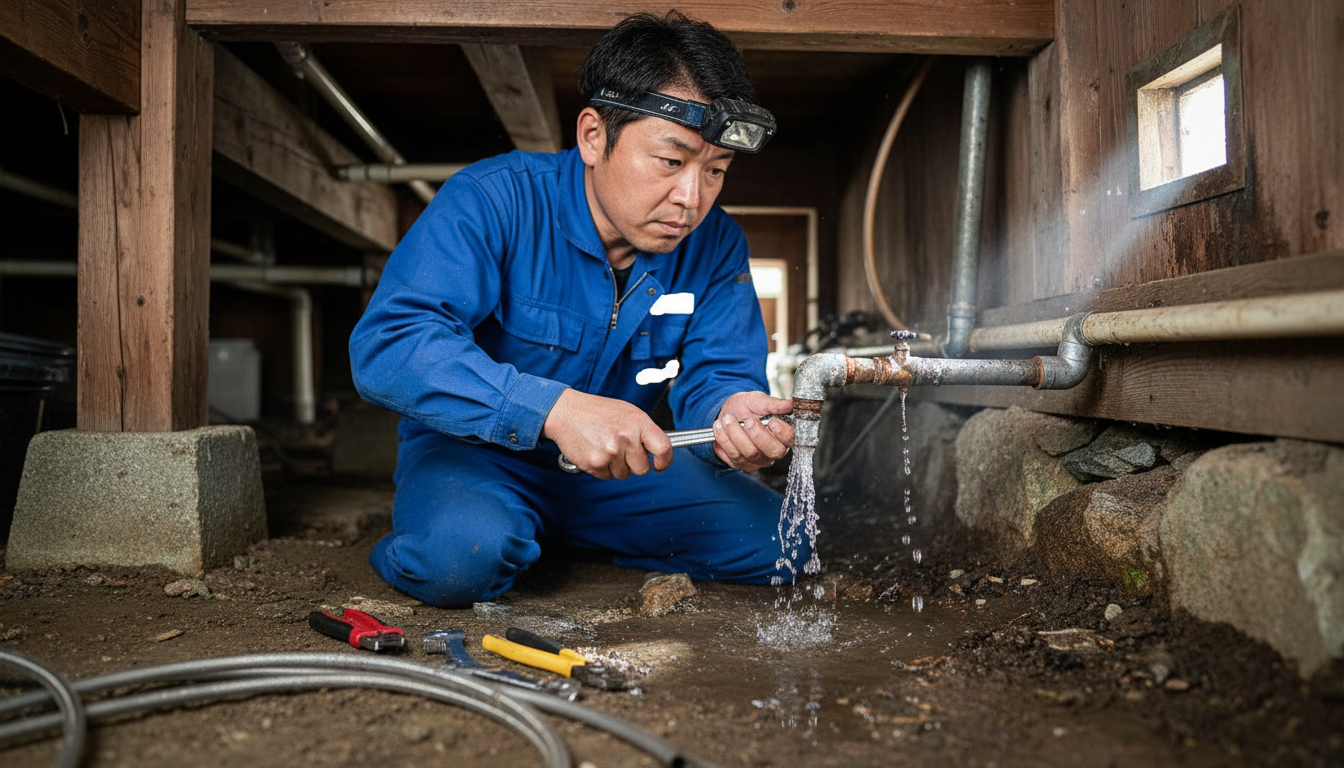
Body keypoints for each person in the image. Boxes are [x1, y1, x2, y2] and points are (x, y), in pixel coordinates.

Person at [349, 10, 808, 608]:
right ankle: (485, 527)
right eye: (671, 162)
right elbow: (391, 344)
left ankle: (543, 535)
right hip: (479, 456)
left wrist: (733, 411)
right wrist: (553, 410)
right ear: (594, 136)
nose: (691, 199)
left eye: (716, 170)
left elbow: (720, 370)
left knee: (788, 543)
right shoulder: (492, 201)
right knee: (459, 560)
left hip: (624, 471)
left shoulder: (717, 244)